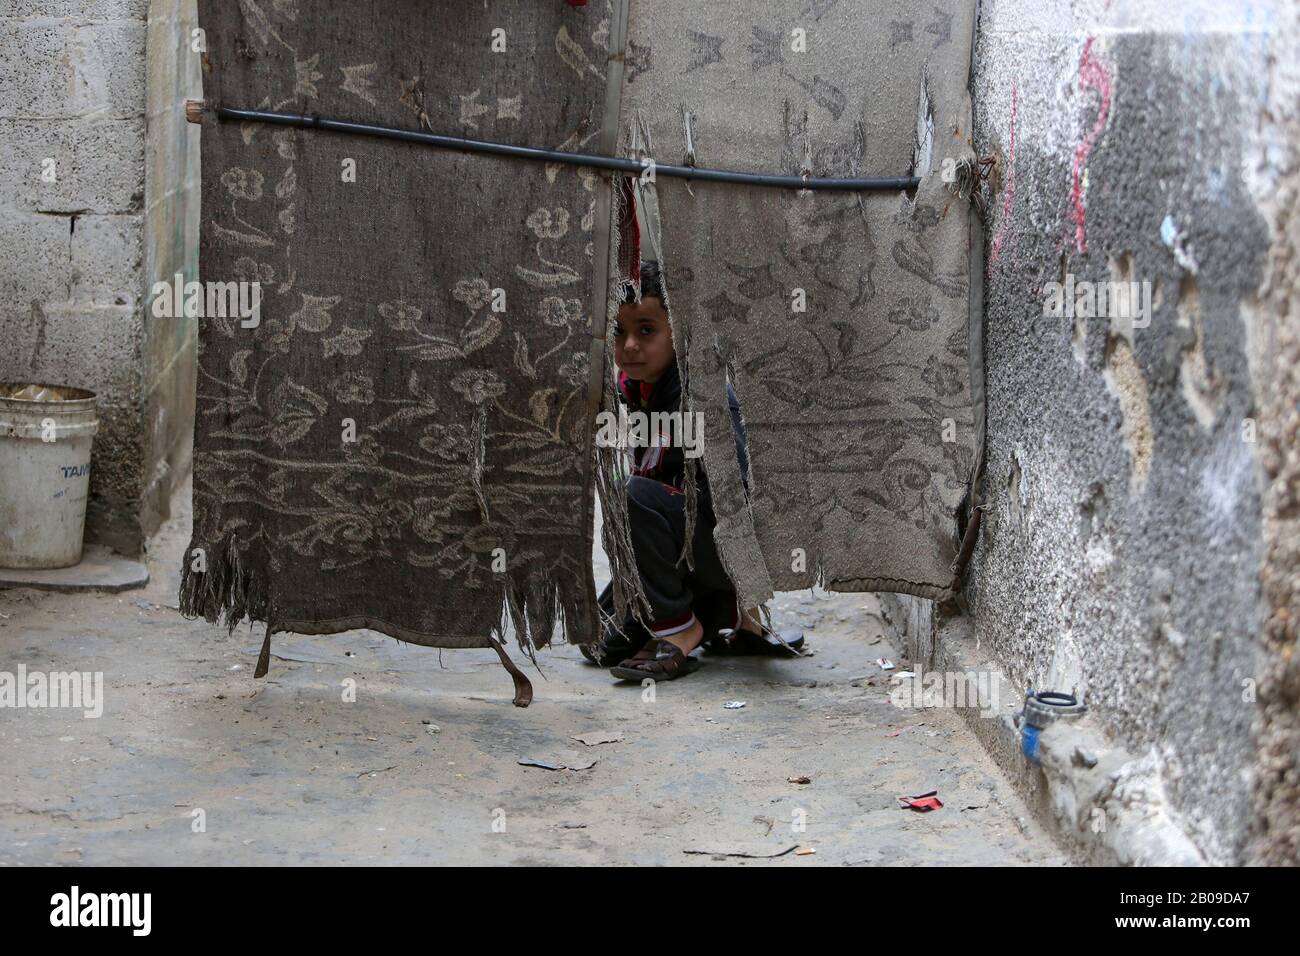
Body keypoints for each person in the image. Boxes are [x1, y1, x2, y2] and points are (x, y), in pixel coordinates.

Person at [586, 261, 804, 681]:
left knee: (635, 494)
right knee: (599, 642)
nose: (629, 345)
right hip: (674, 552)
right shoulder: (629, 394)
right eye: (619, 332)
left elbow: (744, 502)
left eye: (646, 330)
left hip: (719, 551)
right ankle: (713, 613)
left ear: (679, 334)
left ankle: (685, 628)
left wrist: (748, 592)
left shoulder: (705, 398)